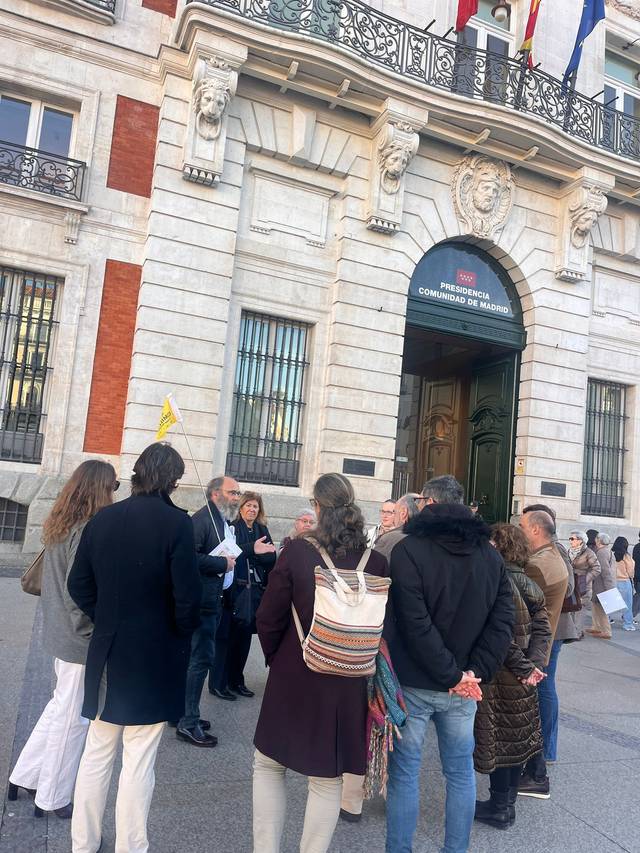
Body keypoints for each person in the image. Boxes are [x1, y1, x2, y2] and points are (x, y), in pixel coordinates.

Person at [68, 442, 202, 853]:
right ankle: (131, 846)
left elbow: (78, 584)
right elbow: (187, 597)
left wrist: (107, 616)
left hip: (108, 649)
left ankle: (82, 843)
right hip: (153, 654)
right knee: (139, 757)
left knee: (97, 752)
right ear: (172, 480)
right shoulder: (176, 524)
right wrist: (179, 629)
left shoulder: (104, 518)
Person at [252, 473, 388, 853]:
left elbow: (268, 616)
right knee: (327, 779)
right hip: (348, 680)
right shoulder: (375, 561)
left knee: (268, 765)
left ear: (317, 506)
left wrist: (276, 658)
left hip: (294, 673)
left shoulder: (297, 551)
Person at [385, 474, 515, 853]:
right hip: (464, 687)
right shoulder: (490, 555)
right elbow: (502, 621)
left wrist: (457, 674)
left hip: (417, 681)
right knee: (459, 774)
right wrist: (473, 672)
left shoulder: (409, 550)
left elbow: (413, 622)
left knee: (405, 773)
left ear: (427, 503)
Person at [8, 461, 118, 820]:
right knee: (73, 719)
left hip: (59, 632)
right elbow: (78, 591)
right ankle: (52, 797)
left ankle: (24, 775)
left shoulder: (63, 521)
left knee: (61, 708)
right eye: (114, 485)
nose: (116, 492)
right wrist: (90, 633)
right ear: (100, 488)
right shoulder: (87, 528)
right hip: (76, 638)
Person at [474, 523, 551, 830]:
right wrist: (533, 667)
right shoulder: (530, 583)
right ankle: (504, 805)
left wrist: (524, 668)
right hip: (523, 678)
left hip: (502, 675)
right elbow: (543, 629)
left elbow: (500, 636)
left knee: (501, 741)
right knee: (514, 741)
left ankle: (499, 806)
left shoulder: (497, 580)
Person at [175, 476, 238, 746]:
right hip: (202, 602)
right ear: (215, 494)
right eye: (232, 492)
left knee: (197, 659)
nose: (237, 497)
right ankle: (188, 721)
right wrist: (221, 564)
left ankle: (185, 713)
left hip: (212, 599)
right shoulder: (201, 520)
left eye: (238, 493)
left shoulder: (221, 519)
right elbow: (189, 558)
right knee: (200, 659)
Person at [518, 507, 569, 800]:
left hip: (532, 646)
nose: (520, 528)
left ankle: (536, 773)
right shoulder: (549, 557)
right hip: (540, 643)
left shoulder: (539, 564)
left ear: (536, 529)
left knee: (531, 707)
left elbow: (520, 606)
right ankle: (535, 769)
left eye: (523, 524)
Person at [228, 491, 276, 697]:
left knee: (246, 634)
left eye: (255, 506)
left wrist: (256, 554)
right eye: (248, 505)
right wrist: (253, 550)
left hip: (255, 589)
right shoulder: (234, 527)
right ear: (241, 508)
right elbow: (232, 552)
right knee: (233, 635)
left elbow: (271, 556)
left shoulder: (261, 528)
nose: (252, 509)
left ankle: (238, 679)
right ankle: (226, 680)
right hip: (236, 589)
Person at [568, 529, 599, 638]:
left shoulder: (589, 553)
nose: (570, 541)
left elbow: (597, 569)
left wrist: (584, 579)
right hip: (572, 585)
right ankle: (572, 632)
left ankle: (577, 633)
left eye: (573, 539)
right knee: (572, 608)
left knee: (580, 610)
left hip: (583, 587)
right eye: (570, 538)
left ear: (581, 540)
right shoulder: (569, 551)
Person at [374, 492, 420, 562]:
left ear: (403, 513)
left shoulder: (388, 538)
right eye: (383, 512)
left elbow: (373, 567)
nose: (385, 516)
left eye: (394, 512)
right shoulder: (431, 538)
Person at [588, 533, 616, 639]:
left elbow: (605, 571)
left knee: (601, 608)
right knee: (596, 606)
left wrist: (609, 588)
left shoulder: (602, 552)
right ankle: (597, 626)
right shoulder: (605, 551)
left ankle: (606, 630)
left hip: (602, 586)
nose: (595, 539)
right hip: (600, 585)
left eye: (596, 538)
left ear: (599, 540)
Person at [613, 536, 636, 631]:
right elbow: (630, 571)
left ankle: (606, 621)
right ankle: (628, 624)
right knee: (627, 604)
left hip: (614, 581)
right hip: (624, 581)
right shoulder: (627, 557)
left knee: (610, 603)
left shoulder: (612, 555)